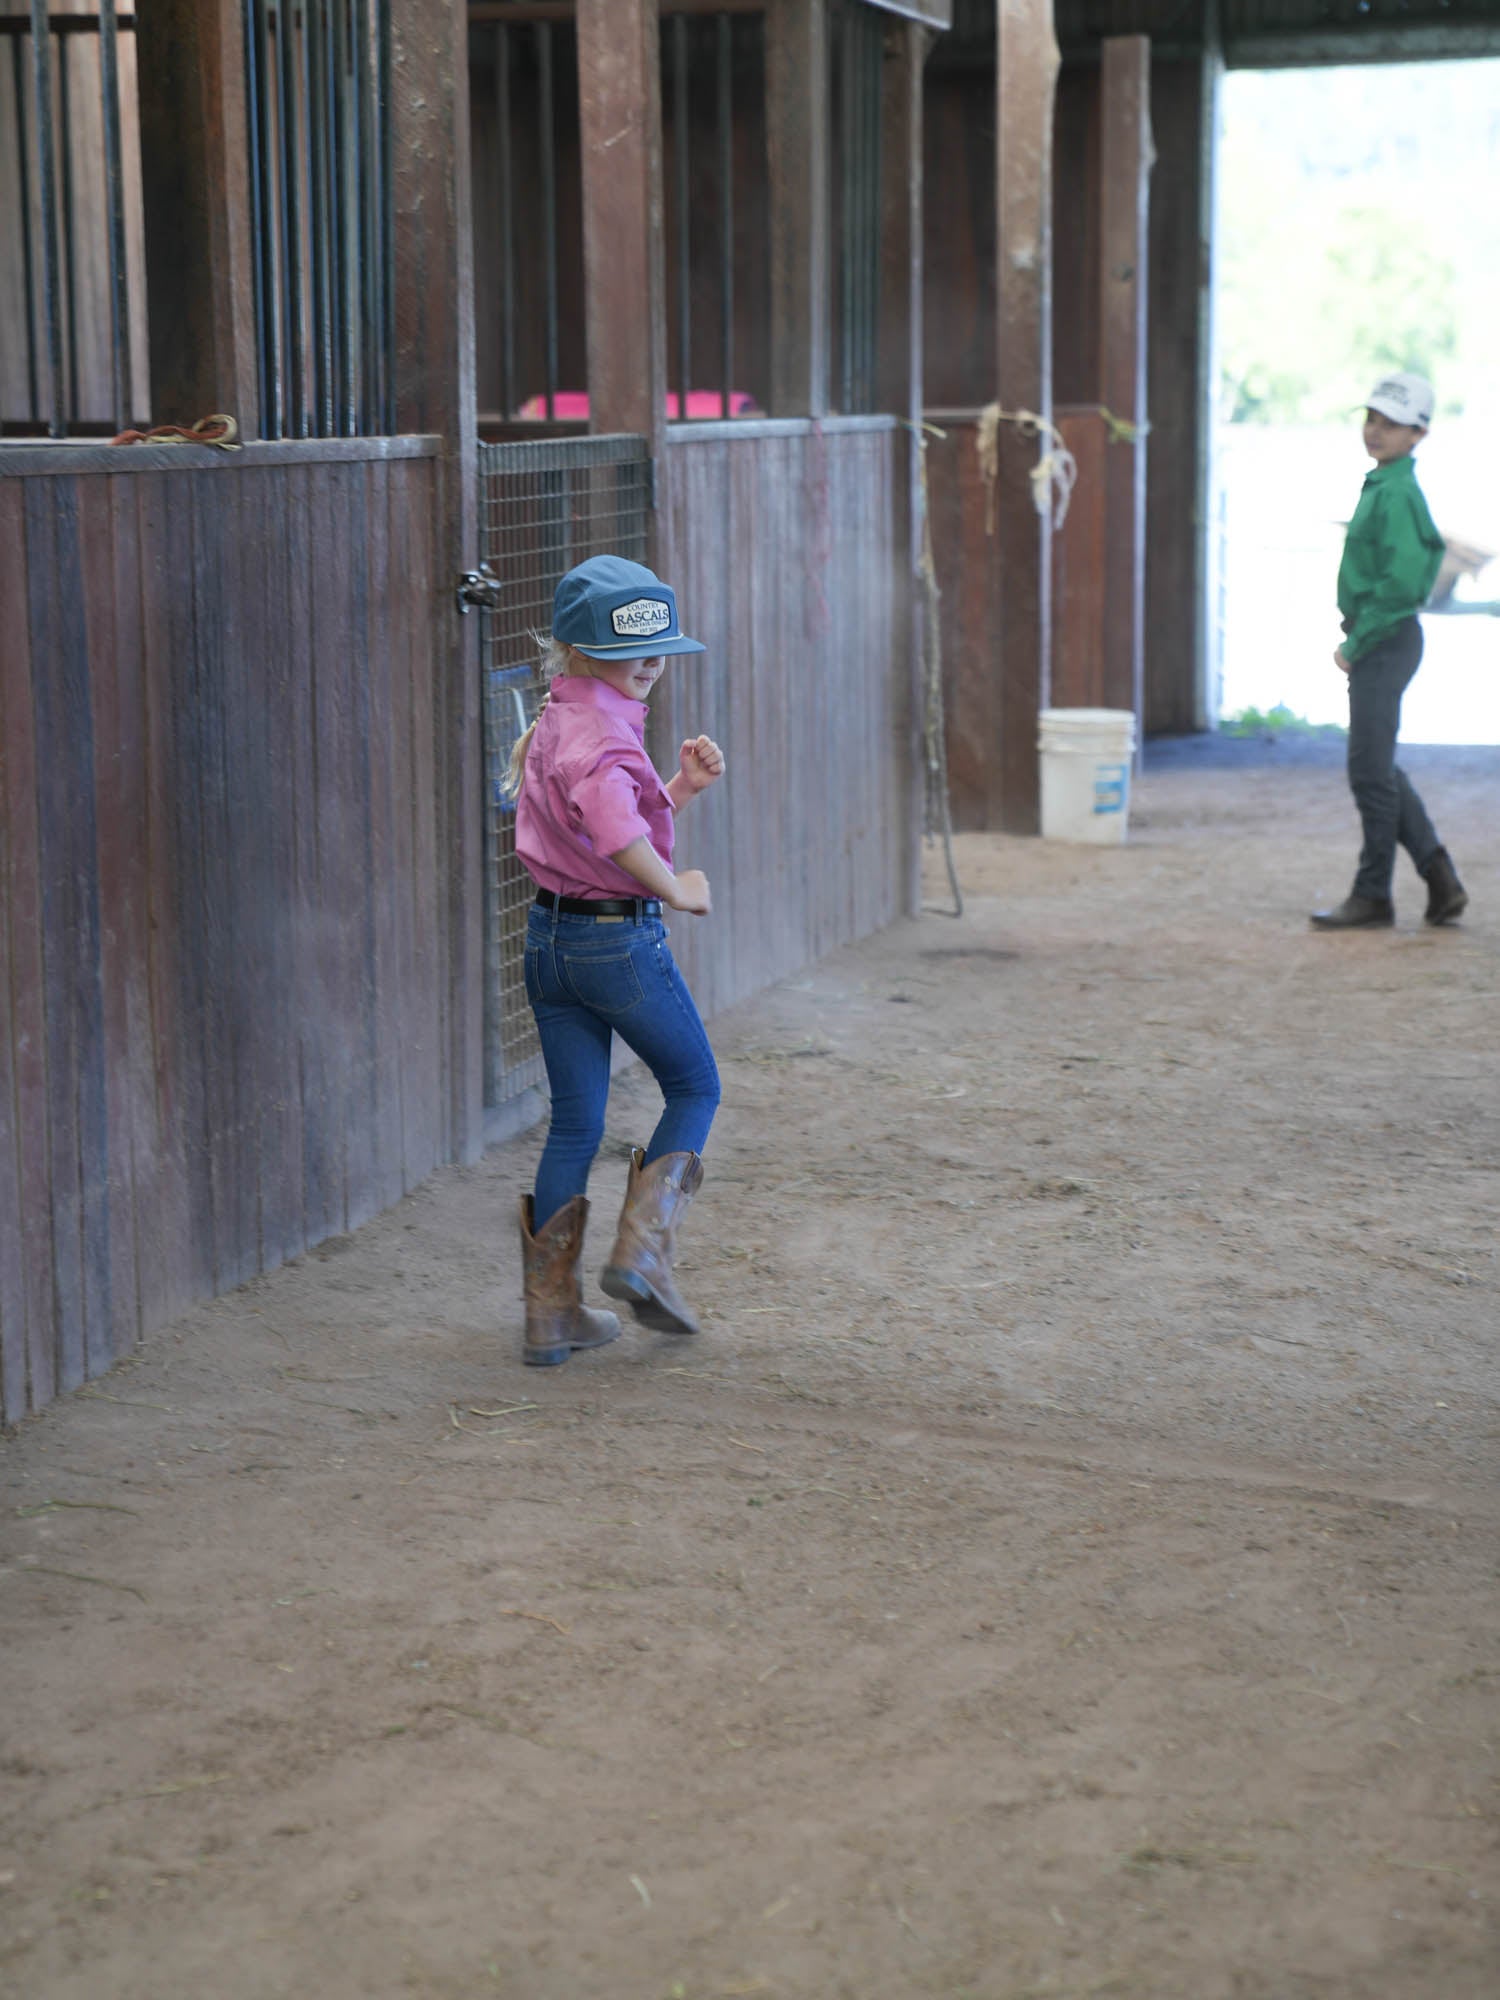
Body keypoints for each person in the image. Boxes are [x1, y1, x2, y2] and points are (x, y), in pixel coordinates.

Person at [504, 555, 725, 1366]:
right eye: (637, 650)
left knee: (575, 1122)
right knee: (696, 1085)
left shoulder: (561, 720)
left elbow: (595, 814)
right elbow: (614, 831)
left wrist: (679, 788)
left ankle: (551, 1316)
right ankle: (642, 1258)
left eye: (661, 649)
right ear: (582, 653)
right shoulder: (601, 736)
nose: (653, 663)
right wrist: (676, 889)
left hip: (549, 944)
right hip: (615, 945)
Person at [1311, 372, 1468, 931]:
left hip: (1384, 639)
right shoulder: (1383, 483)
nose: (1376, 431)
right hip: (1383, 638)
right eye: (1371, 419)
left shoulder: (1397, 493)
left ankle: (1373, 893)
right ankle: (1440, 878)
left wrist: (1355, 643)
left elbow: (1401, 586)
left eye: (1392, 424)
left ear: (1418, 434)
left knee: (1370, 775)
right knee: (1376, 770)